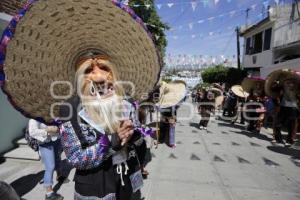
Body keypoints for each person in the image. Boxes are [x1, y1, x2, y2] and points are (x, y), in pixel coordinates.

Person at [28, 119, 63, 200]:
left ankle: (59, 176)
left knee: (57, 158)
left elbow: (60, 123)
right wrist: (47, 130)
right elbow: (32, 132)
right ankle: (49, 193)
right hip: (45, 143)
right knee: (50, 166)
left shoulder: (51, 112)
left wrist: (59, 128)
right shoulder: (34, 116)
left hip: (56, 139)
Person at [273, 78, 300, 145]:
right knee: (278, 124)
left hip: (293, 109)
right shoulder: (282, 88)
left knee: (291, 126)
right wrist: (275, 84)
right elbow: (273, 90)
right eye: (288, 83)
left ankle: (289, 140)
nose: (290, 84)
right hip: (283, 107)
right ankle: (278, 138)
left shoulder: (297, 90)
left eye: (292, 83)